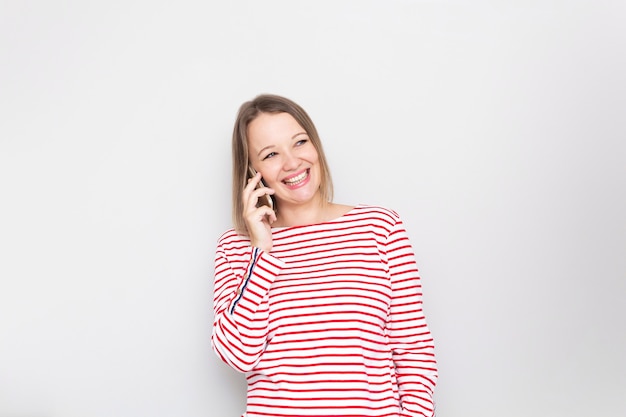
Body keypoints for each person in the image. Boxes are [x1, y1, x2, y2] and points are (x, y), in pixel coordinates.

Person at [211, 93, 438, 417]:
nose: (292, 162)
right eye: (272, 153)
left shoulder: (380, 228)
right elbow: (237, 354)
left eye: (300, 142)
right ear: (253, 170)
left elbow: (413, 352)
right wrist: (262, 250)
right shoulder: (236, 247)